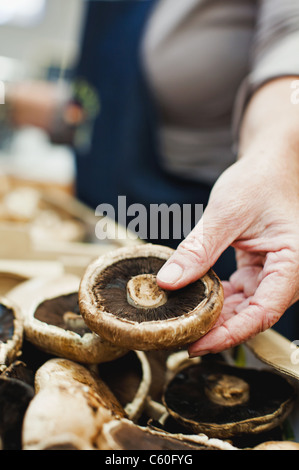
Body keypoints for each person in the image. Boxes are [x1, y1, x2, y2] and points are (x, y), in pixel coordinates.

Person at [5, 0, 299, 355]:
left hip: (224, 236)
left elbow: (291, 39)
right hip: (102, 218)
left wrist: (278, 155)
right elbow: (110, 99)